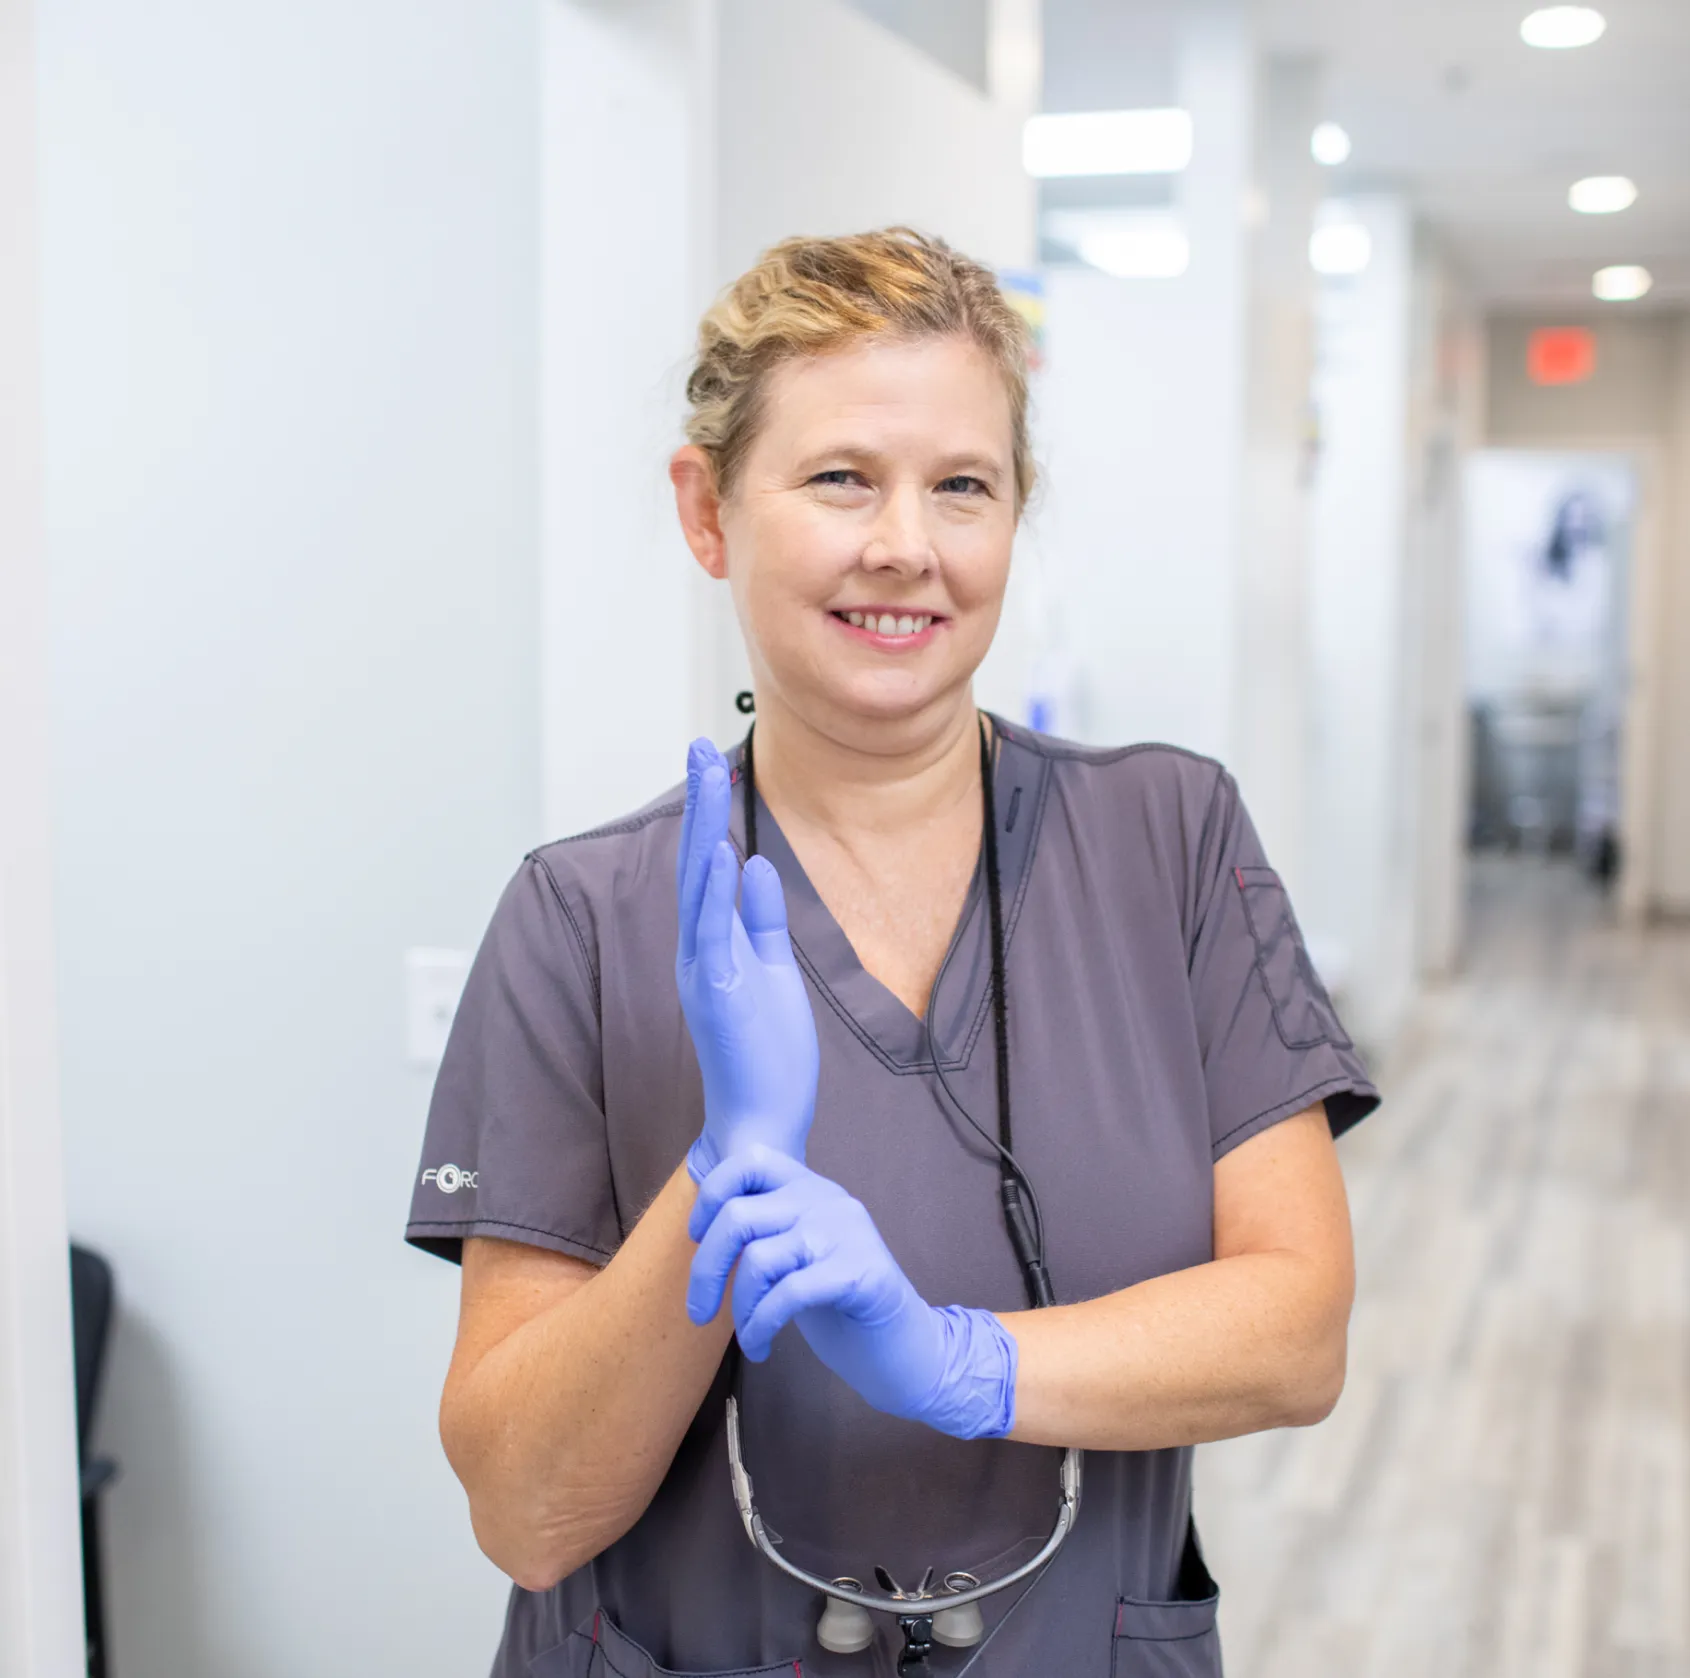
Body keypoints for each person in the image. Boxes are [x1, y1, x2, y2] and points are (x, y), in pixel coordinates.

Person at [407, 228, 1378, 1677]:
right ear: (707, 507)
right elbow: (529, 1510)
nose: (905, 546)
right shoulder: (580, 919)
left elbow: (1295, 1330)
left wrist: (963, 1361)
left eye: (962, 487)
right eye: (840, 477)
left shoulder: (1166, 837)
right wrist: (721, 1177)